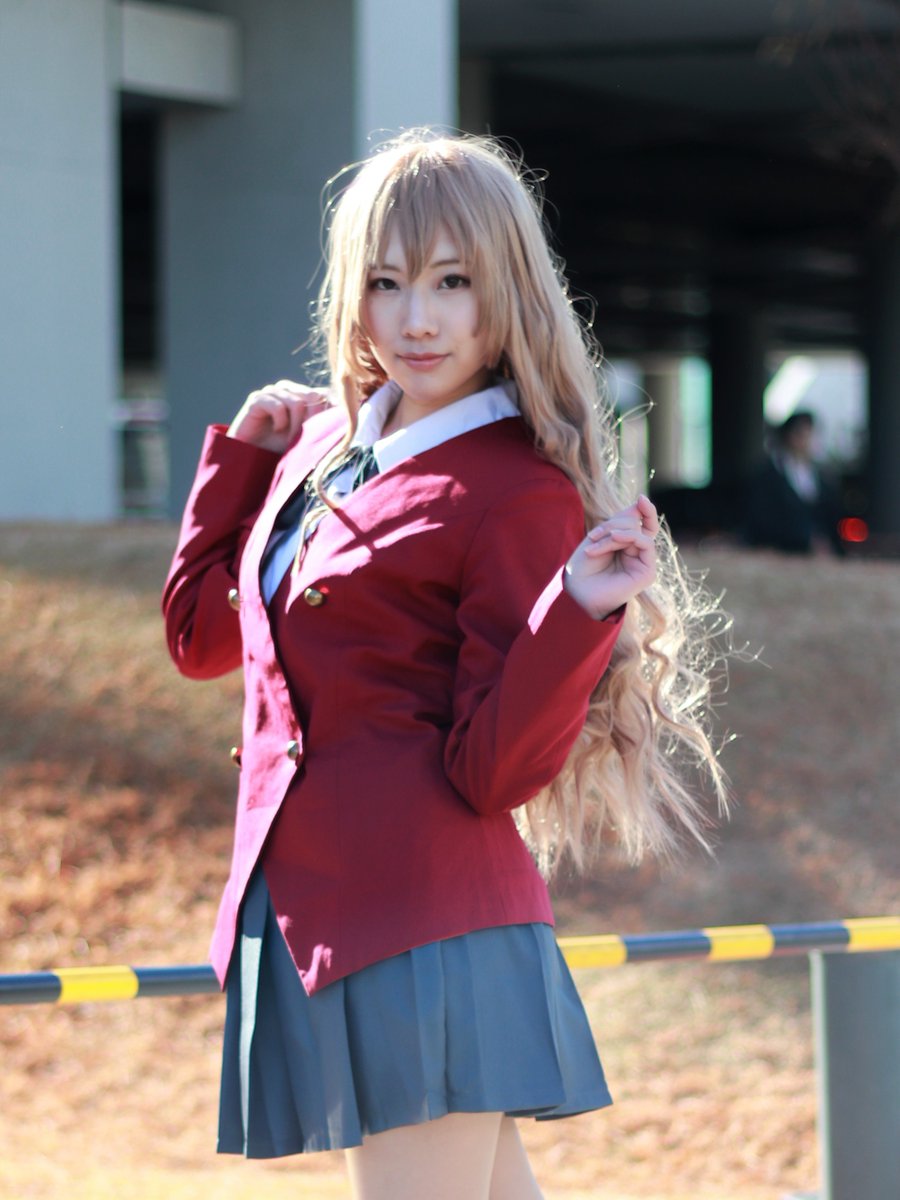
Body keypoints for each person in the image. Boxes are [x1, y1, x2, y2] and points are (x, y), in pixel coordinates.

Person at [163, 131, 726, 1200]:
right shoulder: (323, 454)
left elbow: (493, 772)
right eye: (386, 283)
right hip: (321, 905)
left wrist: (576, 611)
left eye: (452, 283)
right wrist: (243, 464)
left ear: (504, 290)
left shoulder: (515, 489)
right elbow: (199, 637)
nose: (416, 319)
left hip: (421, 922)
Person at [744, 410, 843, 555]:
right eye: (802, 434)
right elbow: (763, 519)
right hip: (781, 551)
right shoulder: (769, 475)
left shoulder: (821, 477)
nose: (807, 441)